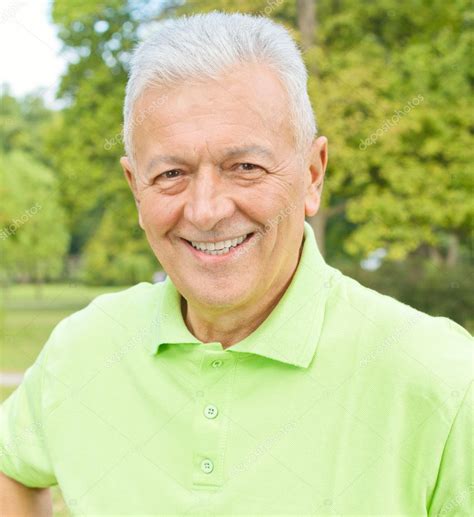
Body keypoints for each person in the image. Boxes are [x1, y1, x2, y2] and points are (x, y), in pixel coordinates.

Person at [1, 11, 472, 516]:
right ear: (135, 188)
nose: (206, 210)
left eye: (245, 167)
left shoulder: (442, 378)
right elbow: (12, 468)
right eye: (171, 174)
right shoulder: (83, 348)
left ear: (312, 175)